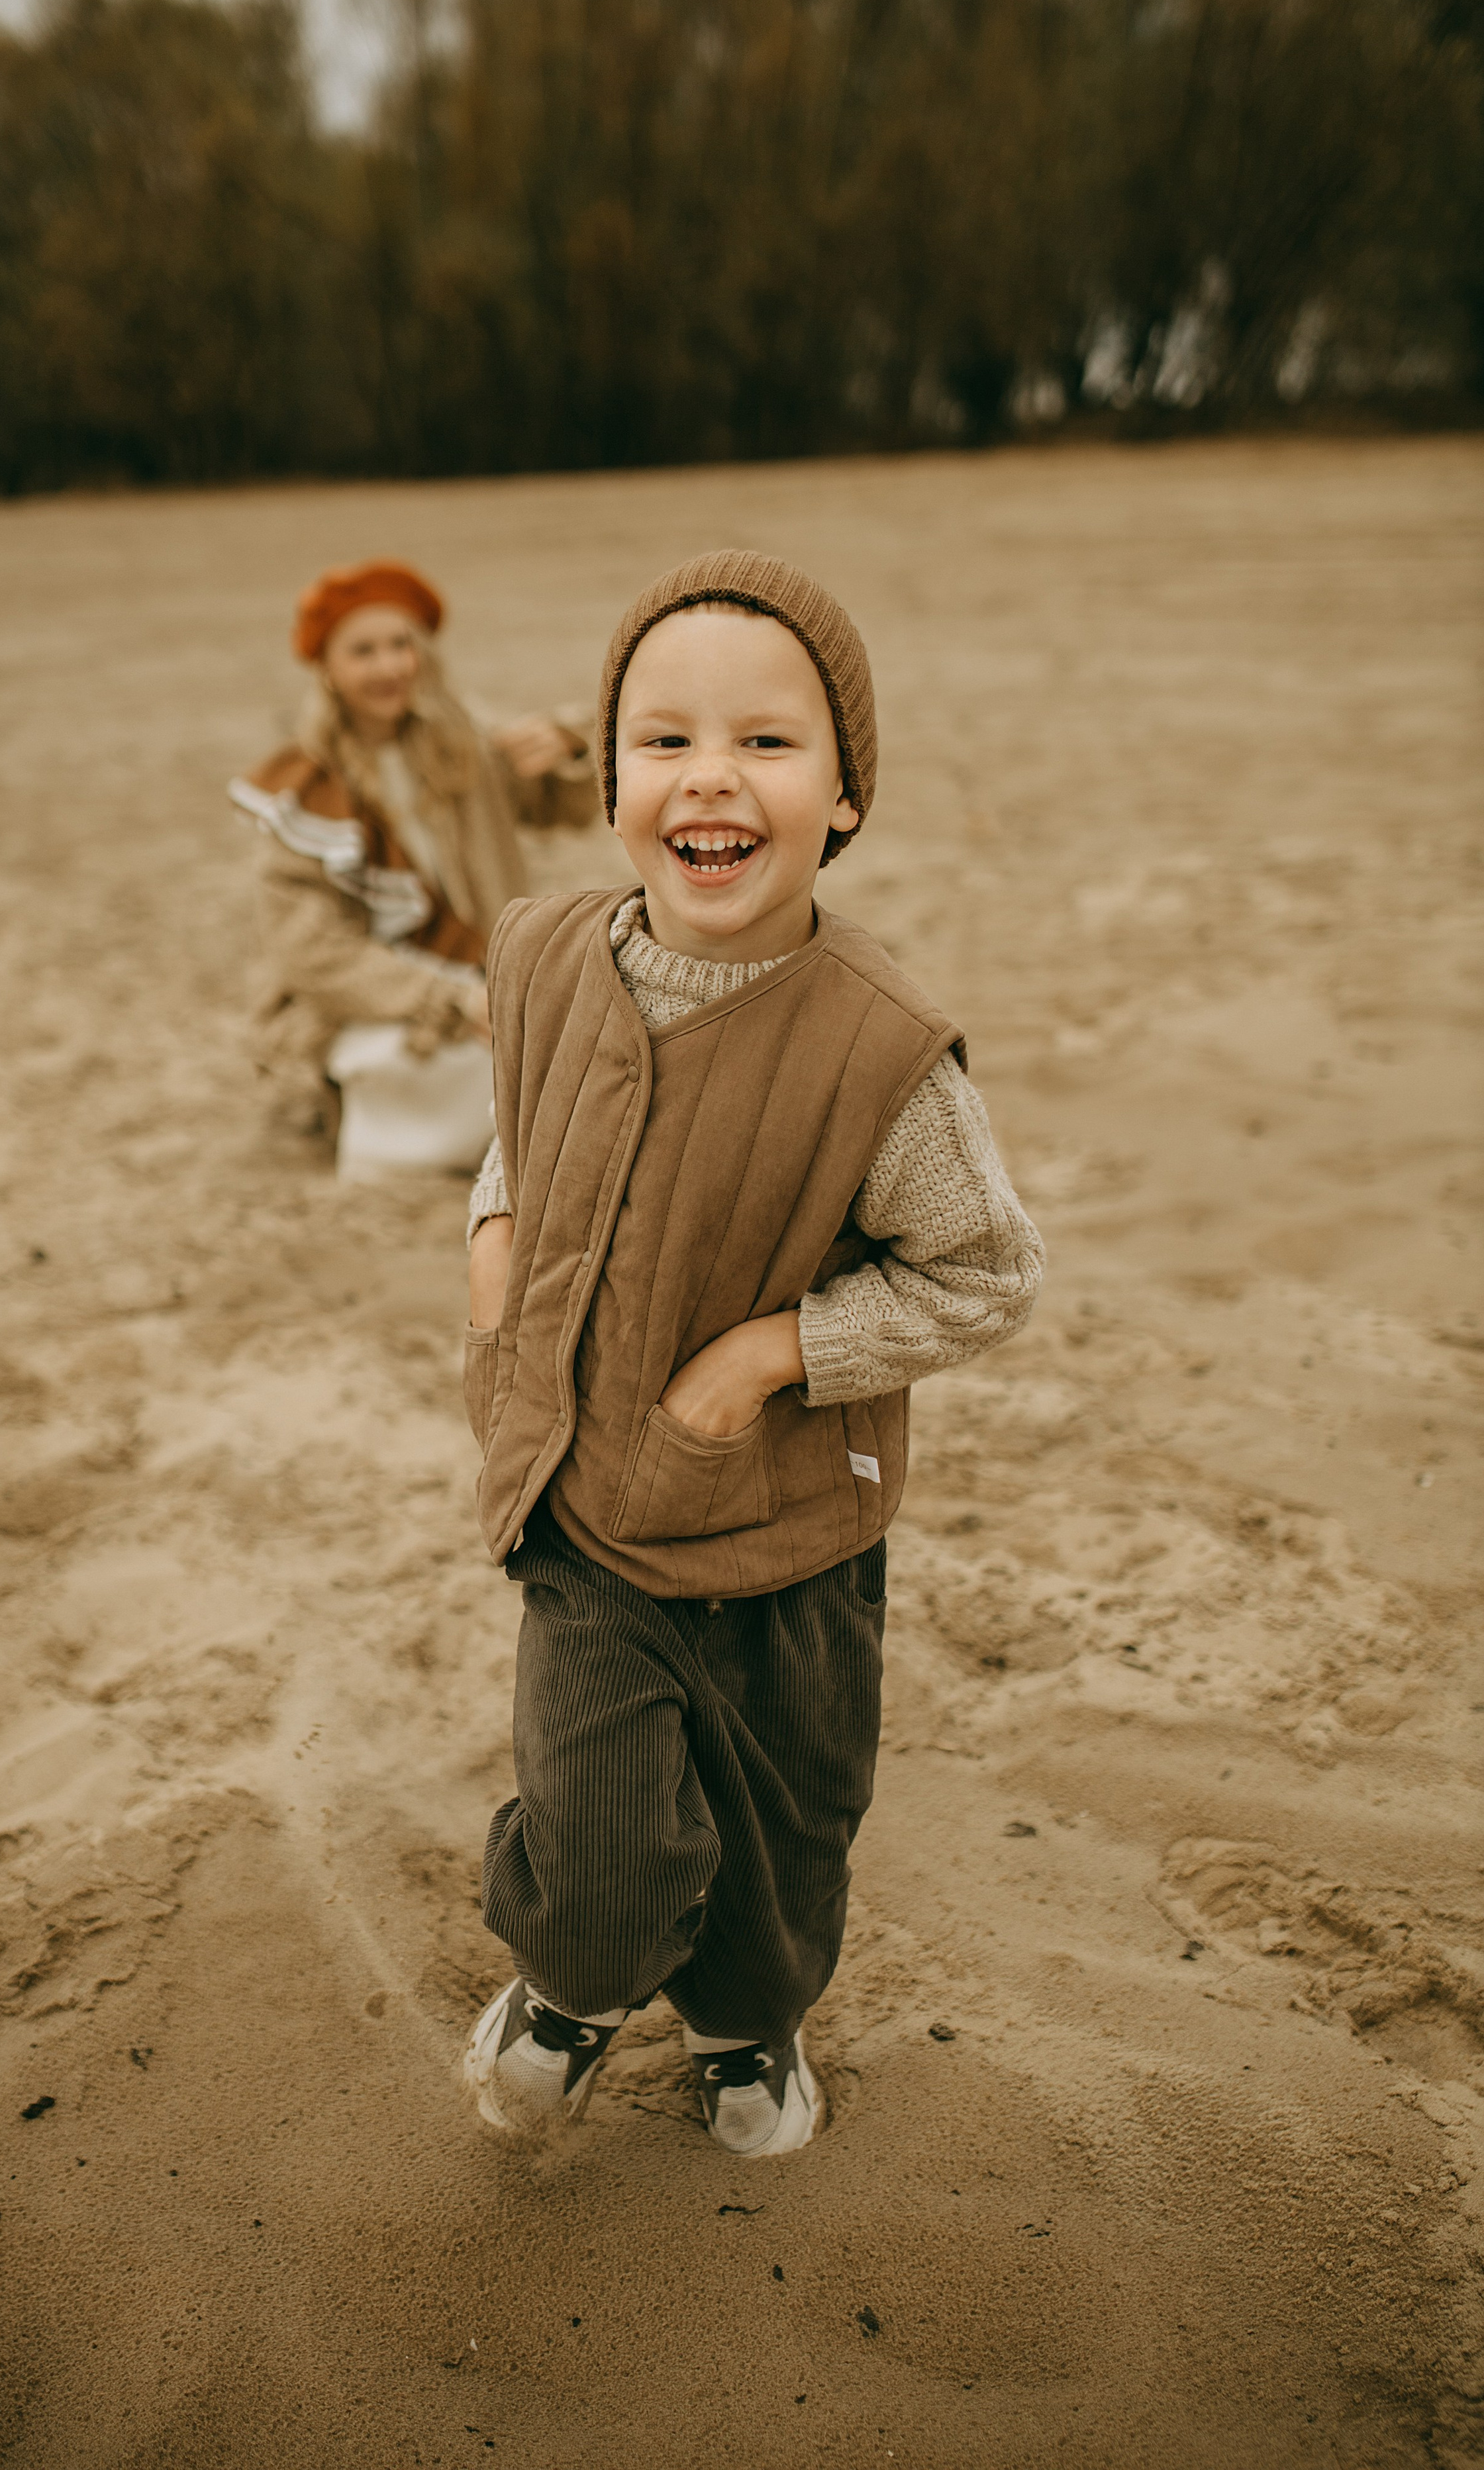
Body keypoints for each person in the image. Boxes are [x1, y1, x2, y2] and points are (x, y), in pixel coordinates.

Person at [458, 550, 1044, 2156]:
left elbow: (987, 1275)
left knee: (785, 1827)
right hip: (586, 1510)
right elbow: (517, 1121)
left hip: (785, 1536)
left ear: (844, 796)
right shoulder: (546, 956)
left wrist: (781, 1351)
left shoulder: (877, 1051)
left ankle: (740, 2027)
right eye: (663, 740)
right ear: (610, 781)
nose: (709, 774)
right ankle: (571, 1982)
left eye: (766, 744)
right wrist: (491, 1233)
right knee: (594, 1851)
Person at [228, 559, 595, 1175]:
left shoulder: (465, 745)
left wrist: (570, 740)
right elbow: (314, 955)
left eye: (402, 644)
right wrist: (450, 999)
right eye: (364, 651)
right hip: (384, 1004)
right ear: (328, 669)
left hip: (478, 976)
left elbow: (565, 802)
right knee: (418, 1064)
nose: (390, 666)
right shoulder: (305, 789)